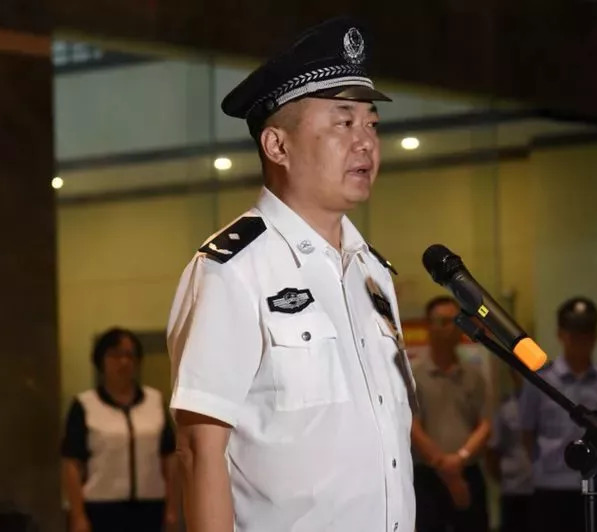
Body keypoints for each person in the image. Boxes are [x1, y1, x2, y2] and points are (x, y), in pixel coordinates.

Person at [166, 16, 416, 532]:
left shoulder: (373, 273)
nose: (366, 143)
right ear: (277, 146)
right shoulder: (233, 271)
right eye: (343, 123)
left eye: (371, 124)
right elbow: (198, 449)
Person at [519, 296, 597, 532]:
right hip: (552, 491)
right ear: (561, 334)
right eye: (574, 332)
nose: (581, 339)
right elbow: (527, 433)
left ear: (596, 335)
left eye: (587, 332)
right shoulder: (540, 382)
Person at [61, 327, 178, 532]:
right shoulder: (85, 405)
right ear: (101, 361)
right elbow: (72, 463)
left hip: (151, 508)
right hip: (101, 508)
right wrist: (77, 515)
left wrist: (172, 507)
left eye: (130, 355)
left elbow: (169, 459)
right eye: (115, 355)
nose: (124, 362)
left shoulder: (155, 401)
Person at [410, 296, 492, 532]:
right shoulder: (413, 375)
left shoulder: (474, 375)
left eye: (456, 321)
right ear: (429, 326)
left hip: (469, 472)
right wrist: (446, 468)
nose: (451, 328)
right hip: (428, 477)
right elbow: (413, 427)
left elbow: (485, 424)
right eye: (443, 322)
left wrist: (460, 460)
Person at [485, 369, 533, 532]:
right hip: (515, 489)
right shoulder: (506, 409)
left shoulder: (550, 406)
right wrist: (505, 478)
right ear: (513, 375)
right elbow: (492, 453)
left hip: (548, 489)